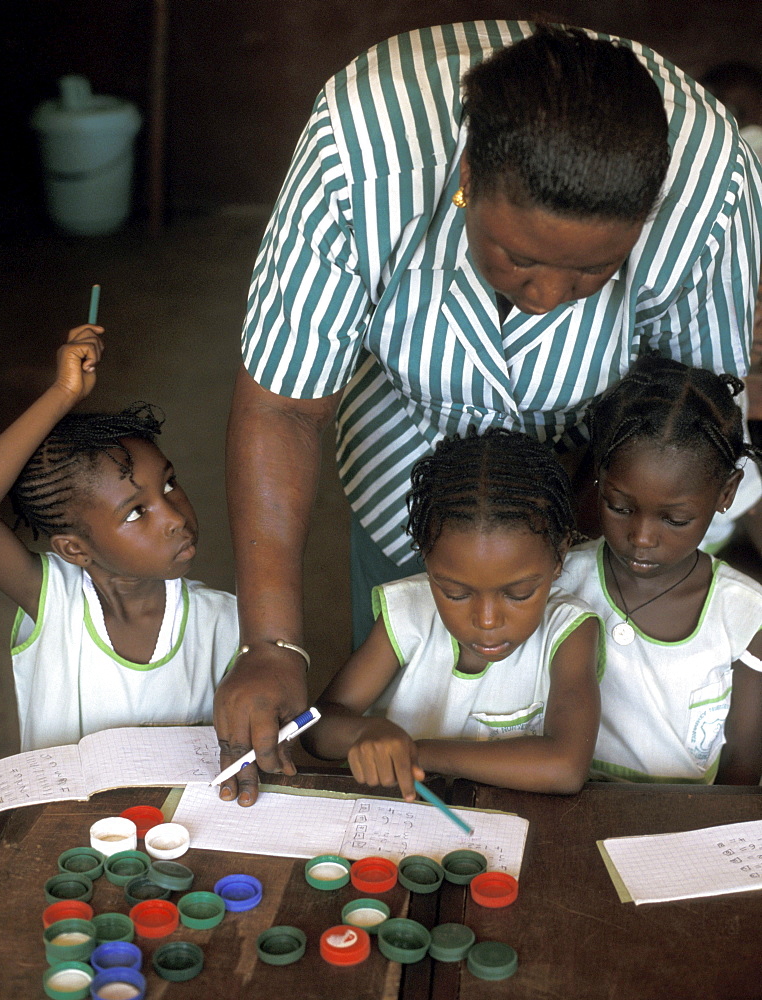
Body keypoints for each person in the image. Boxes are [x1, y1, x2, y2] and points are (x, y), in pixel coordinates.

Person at [216, 21, 762, 806]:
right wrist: (273, 642)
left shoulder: (712, 189)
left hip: (591, 490)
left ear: (645, 221)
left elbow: (689, 417)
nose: (545, 299)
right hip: (399, 460)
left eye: (591, 275)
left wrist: (570, 541)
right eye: (519, 260)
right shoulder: (363, 147)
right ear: (468, 174)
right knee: (410, 683)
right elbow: (283, 405)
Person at [302, 427, 601, 798]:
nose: (487, 620)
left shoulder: (568, 631)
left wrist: (419, 752)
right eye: (455, 593)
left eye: (519, 593)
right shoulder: (408, 614)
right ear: (425, 559)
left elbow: (565, 767)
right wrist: (362, 734)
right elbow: (316, 727)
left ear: (560, 556)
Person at [0, 324, 239, 751]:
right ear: (76, 549)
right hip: (62, 818)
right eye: (137, 511)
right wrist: (62, 394)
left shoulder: (226, 624)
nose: (174, 516)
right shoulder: (55, 602)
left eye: (170, 483)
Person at [560, 354, 762, 783]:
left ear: (726, 493)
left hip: (683, 825)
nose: (643, 537)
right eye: (620, 507)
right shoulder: (561, 580)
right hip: (565, 804)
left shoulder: (746, 613)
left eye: (674, 519)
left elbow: (743, 763)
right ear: (600, 476)